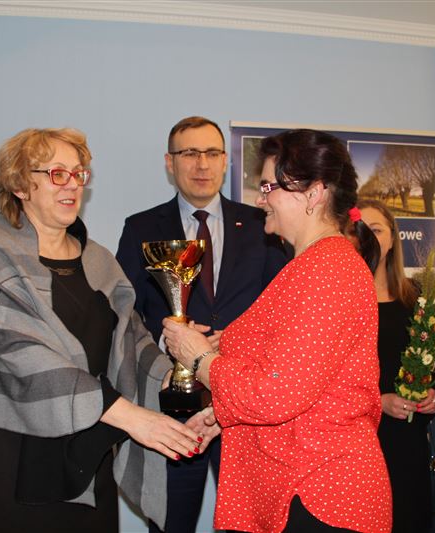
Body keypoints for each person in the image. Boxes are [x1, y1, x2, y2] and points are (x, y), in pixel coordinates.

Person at [0, 128, 203, 533]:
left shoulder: (98, 259)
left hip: (90, 440)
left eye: (78, 174)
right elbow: (27, 353)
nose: (72, 185)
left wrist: (179, 382)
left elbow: (132, 339)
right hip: (19, 448)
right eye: (57, 174)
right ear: (20, 185)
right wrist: (133, 418)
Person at [163, 129, 392, 533]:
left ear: (314, 193)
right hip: (301, 487)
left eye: (269, 187)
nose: (259, 199)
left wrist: (198, 358)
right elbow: (298, 379)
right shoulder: (310, 266)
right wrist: (222, 413)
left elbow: (275, 394)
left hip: (320, 494)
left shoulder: (328, 270)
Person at [115, 116, 290, 532]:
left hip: (245, 405)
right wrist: (169, 340)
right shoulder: (141, 228)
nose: (202, 164)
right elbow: (124, 313)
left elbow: (281, 308)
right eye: (189, 153)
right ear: (169, 162)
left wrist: (237, 339)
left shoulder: (263, 224)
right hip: (174, 407)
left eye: (212, 153)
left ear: (225, 161)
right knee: (171, 523)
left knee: (250, 524)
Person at [357, 198, 435, 533]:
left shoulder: (415, 297)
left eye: (376, 230)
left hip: (408, 444)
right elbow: (327, 379)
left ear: (393, 238)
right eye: (359, 230)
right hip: (360, 444)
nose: (368, 238)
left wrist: (433, 395)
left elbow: (434, 365)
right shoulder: (339, 300)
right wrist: (378, 402)